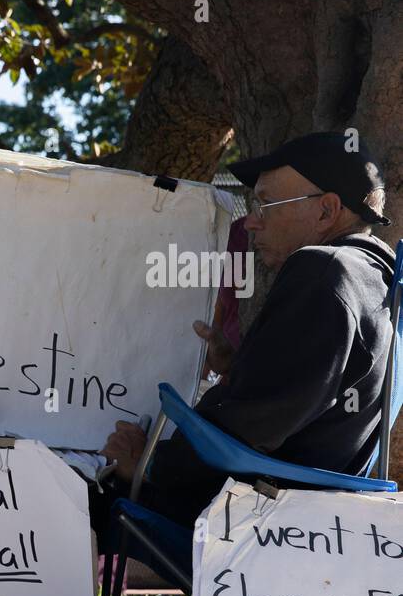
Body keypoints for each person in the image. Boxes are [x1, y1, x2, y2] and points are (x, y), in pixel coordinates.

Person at [97, 131, 396, 534]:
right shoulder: (380, 277)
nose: (251, 221)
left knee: (77, 486)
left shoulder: (322, 270)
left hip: (257, 520)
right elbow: (311, 397)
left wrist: (150, 467)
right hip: (315, 514)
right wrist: (237, 365)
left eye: (267, 204)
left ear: (327, 211)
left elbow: (256, 426)